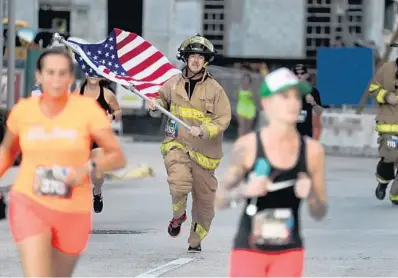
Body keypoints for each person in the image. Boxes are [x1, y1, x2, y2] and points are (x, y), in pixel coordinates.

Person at [0, 47, 126, 277]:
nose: (56, 80)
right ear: (38, 76)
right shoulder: (23, 111)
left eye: (62, 74)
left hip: (72, 208)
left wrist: (89, 167)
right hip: (29, 202)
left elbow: (117, 156)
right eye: (50, 73)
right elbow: (7, 151)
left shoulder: (87, 110)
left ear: (70, 78)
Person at [215, 67, 328, 277]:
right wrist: (244, 191)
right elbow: (219, 200)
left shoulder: (313, 152)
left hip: (289, 251)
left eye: (296, 96)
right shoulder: (247, 146)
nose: (293, 103)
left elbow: (320, 212)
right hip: (248, 248)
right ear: (267, 103)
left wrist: (311, 194)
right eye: (284, 96)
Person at [147, 34, 232, 252]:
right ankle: (178, 217)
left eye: (200, 56)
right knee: (179, 183)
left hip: (204, 154)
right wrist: (154, 104)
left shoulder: (215, 89)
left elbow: (223, 118)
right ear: (185, 58)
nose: (195, 60)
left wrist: (204, 130)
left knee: (205, 209)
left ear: (206, 61)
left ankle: (195, 240)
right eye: (192, 55)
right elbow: (160, 99)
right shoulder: (173, 83)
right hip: (176, 144)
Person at [76, 76, 122, 213]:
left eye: (96, 73)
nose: (93, 76)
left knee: (97, 175)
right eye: (90, 73)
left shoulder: (107, 94)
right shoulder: (78, 93)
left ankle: (97, 192)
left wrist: (112, 116)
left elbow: (118, 111)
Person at [370, 38, 398, 207]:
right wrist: (384, 96)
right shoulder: (387, 69)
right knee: (391, 156)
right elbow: (372, 88)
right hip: (390, 127)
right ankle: (383, 182)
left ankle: (397, 196)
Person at [292, 64, 323, 138]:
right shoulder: (288, 91)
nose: (299, 76)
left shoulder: (313, 91)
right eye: (296, 74)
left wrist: (313, 103)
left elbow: (319, 112)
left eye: (302, 73)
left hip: (306, 131)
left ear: (306, 75)